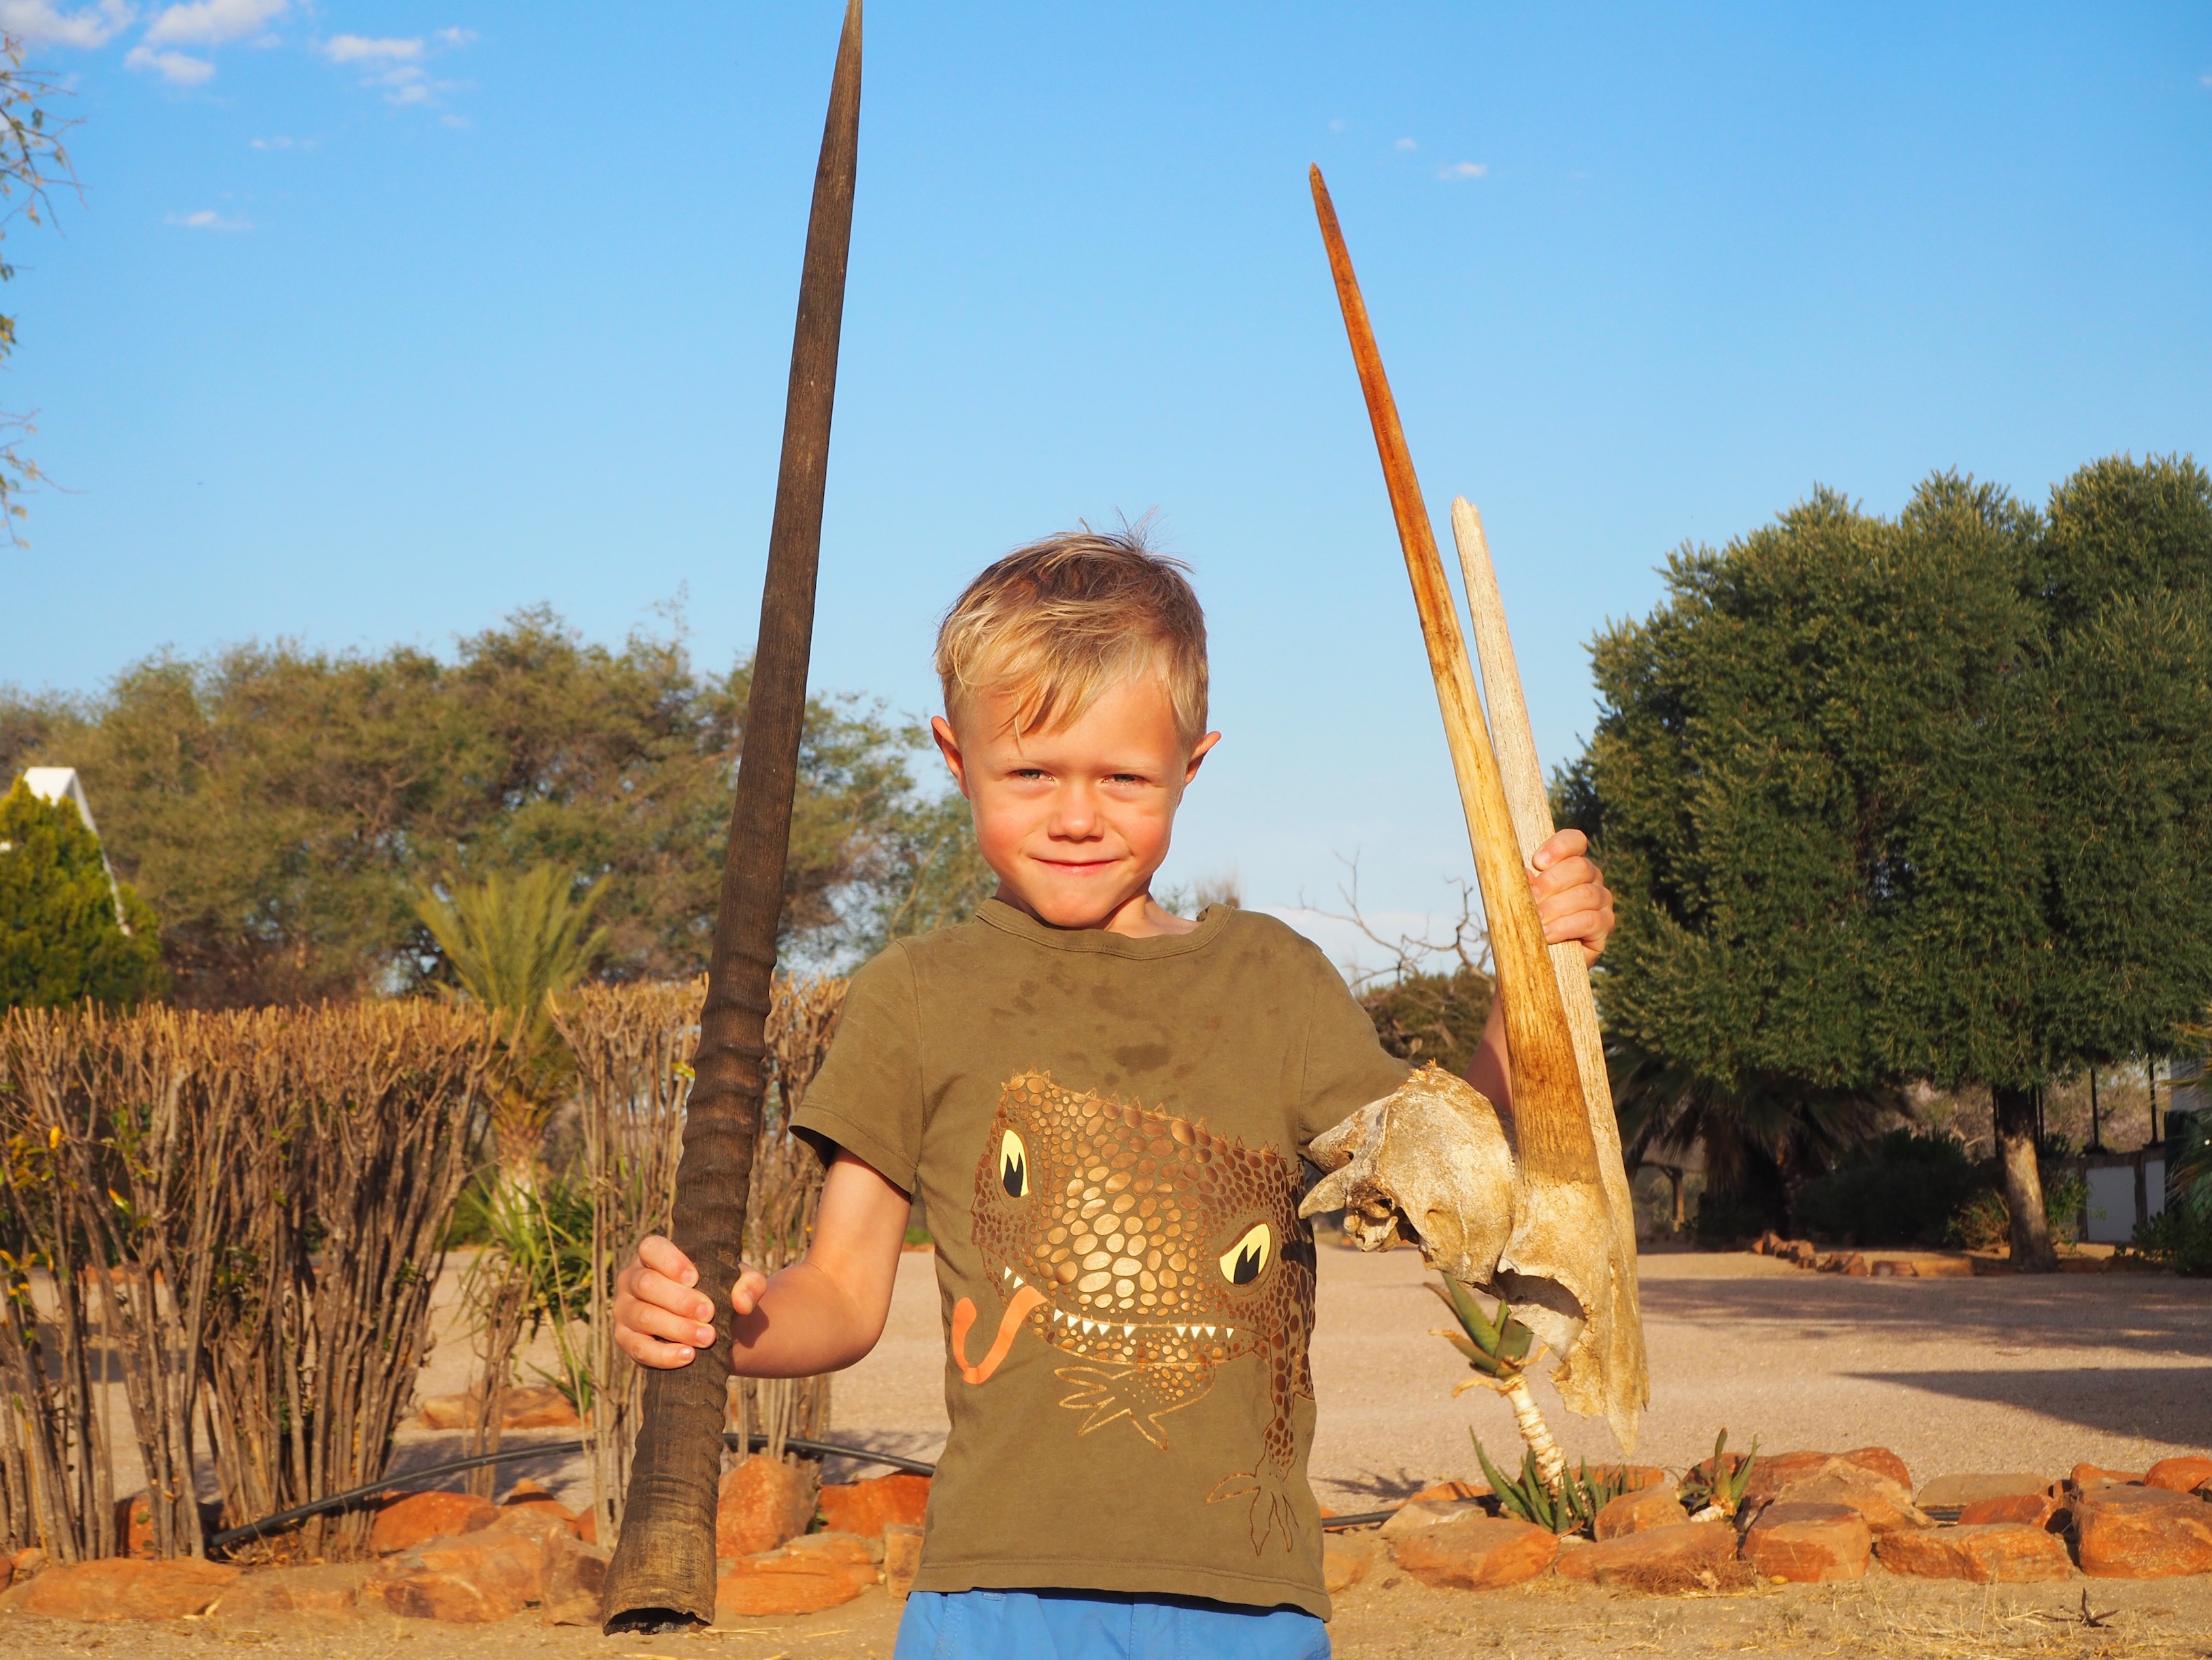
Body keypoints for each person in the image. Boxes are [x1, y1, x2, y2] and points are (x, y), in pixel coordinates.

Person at [614, 529, 1615, 1659]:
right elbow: (841, 1296)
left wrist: (1528, 991)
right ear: (955, 755)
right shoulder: (914, 997)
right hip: (997, 1599)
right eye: (1030, 773)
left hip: (1246, 1605)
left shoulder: (1273, 983)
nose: (1077, 816)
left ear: (1193, 763)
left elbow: (1455, 1178)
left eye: (1125, 778)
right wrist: (722, 1324)